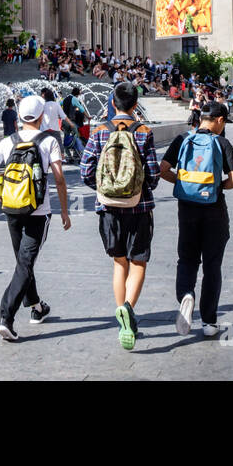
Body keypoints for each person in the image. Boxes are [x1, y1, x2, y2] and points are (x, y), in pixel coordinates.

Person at [0, 95, 70, 341]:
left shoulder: (8, 141)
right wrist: (64, 210)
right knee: (25, 263)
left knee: (23, 261)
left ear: (19, 117)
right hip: (38, 212)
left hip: (11, 209)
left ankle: (37, 307)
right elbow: (60, 178)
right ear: (42, 117)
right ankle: (5, 317)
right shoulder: (49, 141)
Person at [81, 81, 159, 351]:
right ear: (135, 105)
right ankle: (128, 308)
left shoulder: (100, 131)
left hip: (108, 208)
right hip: (140, 206)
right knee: (138, 262)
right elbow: (153, 173)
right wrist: (137, 186)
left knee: (119, 262)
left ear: (113, 103)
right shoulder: (144, 131)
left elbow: (85, 169)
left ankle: (120, 312)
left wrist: (104, 189)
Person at [160, 101, 233, 338]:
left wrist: (184, 185)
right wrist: (215, 187)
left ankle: (186, 294)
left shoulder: (183, 139)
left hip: (187, 210)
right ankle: (209, 322)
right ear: (219, 121)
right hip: (214, 211)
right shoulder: (222, 142)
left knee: (187, 259)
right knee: (212, 266)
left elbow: (163, 169)